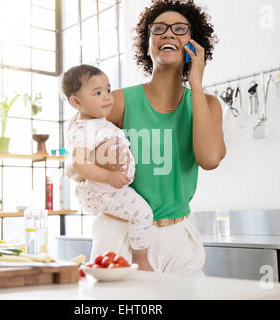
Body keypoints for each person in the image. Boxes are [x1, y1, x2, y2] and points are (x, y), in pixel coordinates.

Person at [68, 0, 226, 276]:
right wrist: (93, 163)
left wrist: (196, 83)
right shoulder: (117, 102)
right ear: (147, 43)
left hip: (178, 235)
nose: (168, 34)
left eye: (180, 29)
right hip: (121, 232)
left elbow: (209, 159)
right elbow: (73, 159)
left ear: (195, 44)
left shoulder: (207, 104)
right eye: (159, 29)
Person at [62, 64, 154, 271]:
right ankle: (141, 260)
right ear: (76, 102)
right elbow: (79, 163)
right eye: (97, 93)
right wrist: (108, 176)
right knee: (144, 214)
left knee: (138, 215)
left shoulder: (96, 121)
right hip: (104, 190)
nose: (106, 97)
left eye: (108, 90)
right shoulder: (82, 129)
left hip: (108, 188)